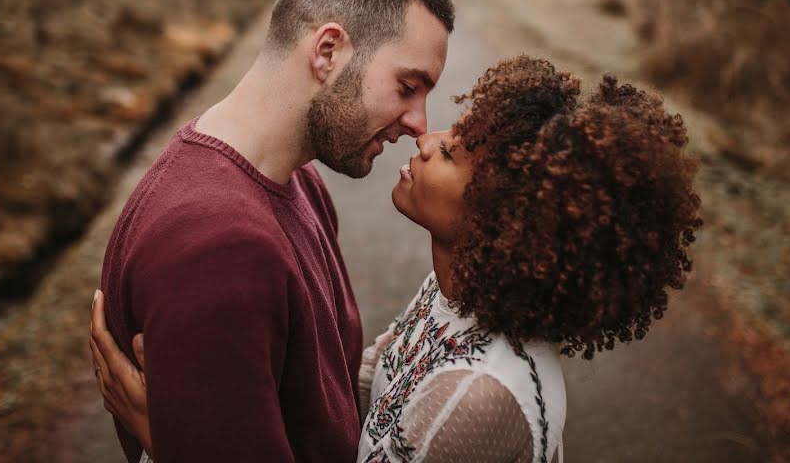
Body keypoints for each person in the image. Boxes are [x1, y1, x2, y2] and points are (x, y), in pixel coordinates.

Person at [92, 56, 703, 462]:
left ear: (503, 218)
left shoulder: (473, 402)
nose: (426, 138)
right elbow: (360, 394)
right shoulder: (456, 298)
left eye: (455, 152)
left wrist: (170, 440)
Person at [91, 0, 454, 463]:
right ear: (327, 51)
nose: (420, 123)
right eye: (407, 86)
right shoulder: (219, 253)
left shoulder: (302, 180)